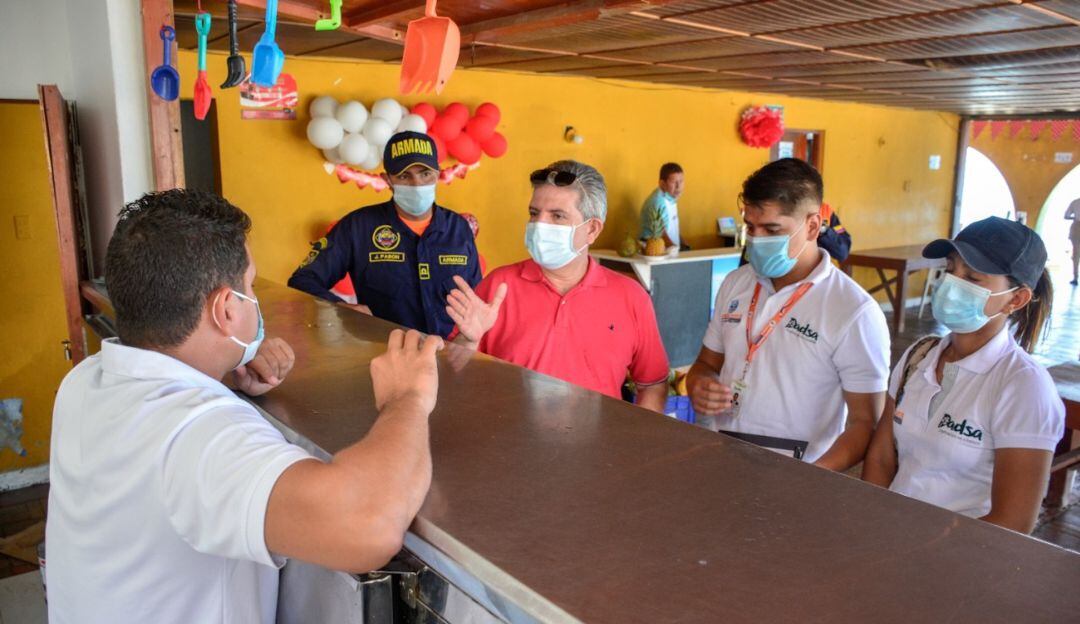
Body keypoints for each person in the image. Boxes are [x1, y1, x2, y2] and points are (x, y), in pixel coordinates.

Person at [47, 190, 443, 623]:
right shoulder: (197, 435)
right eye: (249, 286)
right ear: (225, 310)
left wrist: (219, 363)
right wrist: (407, 398)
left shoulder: (84, 380)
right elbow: (369, 524)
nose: (253, 297)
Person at [685, 158, 890, 469]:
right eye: (750, 227)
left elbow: (865, 422)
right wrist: (699, 384)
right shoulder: (737, 283)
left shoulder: (853, 310)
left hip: (802, 477)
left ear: (811, 226)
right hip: (722, 458)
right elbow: (706, 363)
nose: (757, 239)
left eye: (772, 229)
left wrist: (812, 477)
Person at [862, 217, 1063, 534]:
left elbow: (1012, 522)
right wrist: (873, 522)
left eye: (972, 278)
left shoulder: (1023, 386)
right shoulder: (921, 355)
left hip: (959, 558)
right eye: (950, 270)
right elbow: (881, 458)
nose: (952, 284)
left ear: (1016, 299)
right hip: (890, 535)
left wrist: (912, 549)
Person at [445, 160, 671, 412]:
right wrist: (468, 340)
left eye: (557, 216)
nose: (539, 225)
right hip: (509, 444)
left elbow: (653, 384)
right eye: (534, 213)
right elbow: (454, 374)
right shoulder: (499, 286)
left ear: (592, 229)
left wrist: (635, 447)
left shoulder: (631, 297)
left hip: (600, 447)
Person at [288, 131, 481, 338]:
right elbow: (303, 280)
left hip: (448, 355)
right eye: (404, 176)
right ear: (387, 180)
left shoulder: (458, 228)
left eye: (425, 174)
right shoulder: (358, 227)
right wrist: (340, 308)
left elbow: (477, 297)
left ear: (438, 174)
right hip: (383, 355)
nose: (417, 185)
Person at [639, 162, 686, 250]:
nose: (678, 186)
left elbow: (672, 227)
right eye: (674, 182)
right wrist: (676, 251)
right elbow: (662, 234)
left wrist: (684, 245)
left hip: (670, 251)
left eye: (681, 181)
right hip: (656, 252)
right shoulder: (657, 202)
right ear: (662, 184)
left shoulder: (670, 197)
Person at [1066, 196, 1079, 285]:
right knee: (1076, 254)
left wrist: (1075, 218)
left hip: (1076, 227)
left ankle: (1075, 277)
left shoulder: (1075, 202)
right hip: (1076, 228)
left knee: (1076, 254)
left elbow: (1066, 216)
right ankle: (1075, 277)